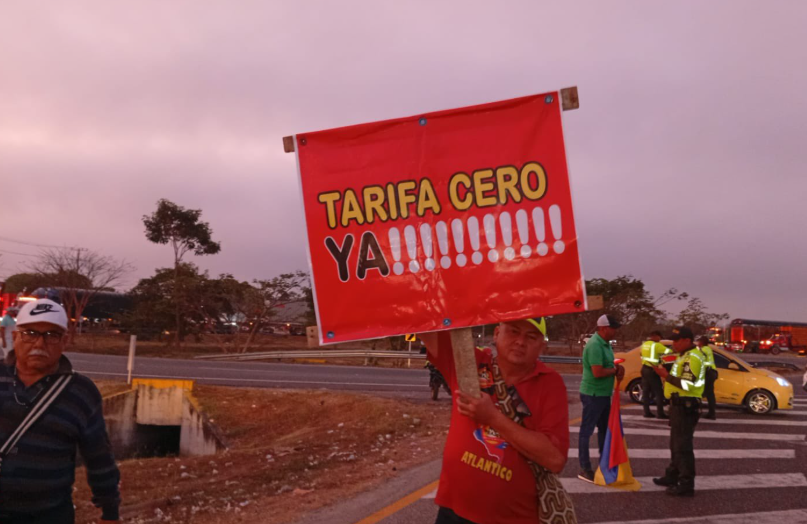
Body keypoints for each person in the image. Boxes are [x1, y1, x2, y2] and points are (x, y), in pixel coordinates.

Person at [422, 318, 571, 524]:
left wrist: (492, 417)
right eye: (513, 332)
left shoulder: (550, 383)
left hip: (514, 518)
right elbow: (422, 323)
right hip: (453, 511)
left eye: (531, 337)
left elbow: (554, 459)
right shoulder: (469, 361)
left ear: (541, 345)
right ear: (496, 333)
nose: (520, 341)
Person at [0, 298, 121, 523]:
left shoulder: (81, 392)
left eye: (51, 336)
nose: (39, 344)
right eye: (30, 333)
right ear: (15, 337)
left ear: (64, 341)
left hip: (49, 514)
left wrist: (110, 510)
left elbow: (98, 455)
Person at [653, 326, 705, 496]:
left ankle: (686, 483)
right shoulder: (684, 356)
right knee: (676, 444)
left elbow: (687, 384)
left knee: (682, 446)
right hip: (678, 405)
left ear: (687, 341)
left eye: (677, 340)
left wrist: (665, 376)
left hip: (686, 406)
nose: (674, 343)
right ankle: (672, 475)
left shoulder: (693, 358)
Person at [577, 314, 623, 483]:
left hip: (603, 394)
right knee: (586, 432)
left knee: (605, 430)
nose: (615, 331)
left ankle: (604, 464)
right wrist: (615, 371)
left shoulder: (606, 345)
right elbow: (598, 372)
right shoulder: (595, 345)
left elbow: (609, 366)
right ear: (604, 328)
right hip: (593, 394)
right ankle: (585, 467)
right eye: (613, 328)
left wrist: (616, 369)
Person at [640, 330, 669, 419]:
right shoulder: (657, 345)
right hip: (652, 370)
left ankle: (646, 412)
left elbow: (641, 354)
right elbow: (669, 351)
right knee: (659, 392)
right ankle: (660, 413)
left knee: (646, 392)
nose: (660, 339)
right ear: (656, 336)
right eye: (660, 337)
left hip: (644, 368)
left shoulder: (644, 344)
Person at [696, 336, 718, 419]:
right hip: (710, 372)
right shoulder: (707, 349)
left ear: (702, 342)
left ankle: (711, 414)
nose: (697, 343)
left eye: (698, 342)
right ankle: (711, 413)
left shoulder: (704, 349)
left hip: (708, 373)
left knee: (707, 393)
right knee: (709, 394)